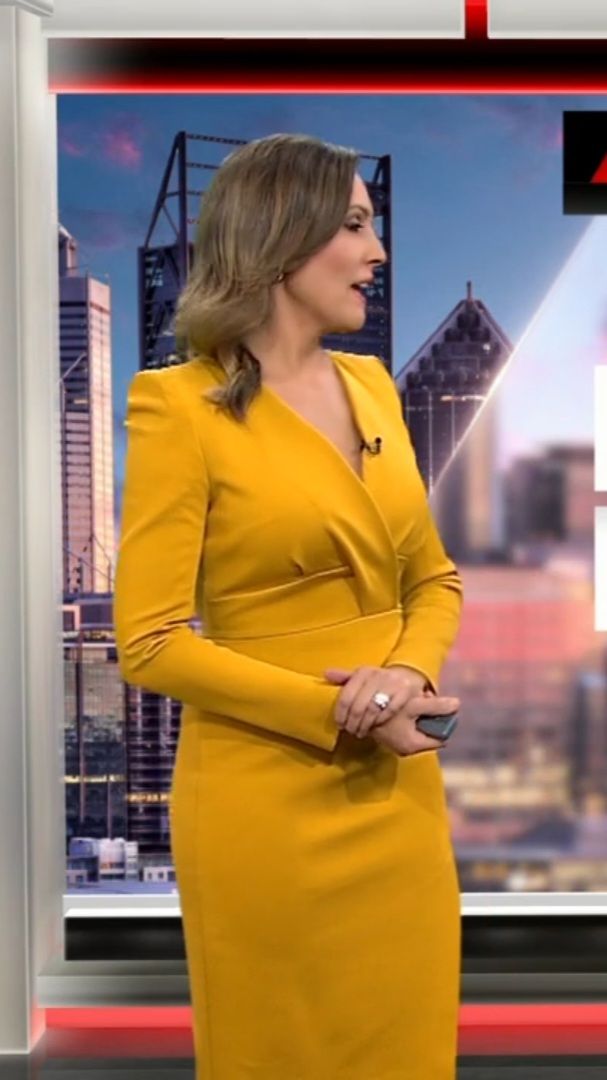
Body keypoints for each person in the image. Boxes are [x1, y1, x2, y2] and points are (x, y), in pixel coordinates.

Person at [113, 132, 464, 1080]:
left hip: (395, 797)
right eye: (352, 225)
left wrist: (405, 675)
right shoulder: (176, 406)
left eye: (373, 225)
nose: (376, 251)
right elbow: (148, 642)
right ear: (279, 236)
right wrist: (341, 710)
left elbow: (433, 580)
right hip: (261, 801)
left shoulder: (371, 386)